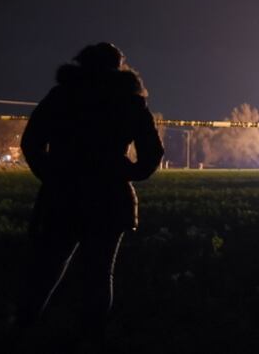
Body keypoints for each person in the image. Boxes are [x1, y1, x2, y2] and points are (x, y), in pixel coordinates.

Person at [18, 42, 163, 340]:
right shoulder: (129, 101)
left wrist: (51, 175)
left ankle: (23, 331)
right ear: (119, 66)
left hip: (63, 196)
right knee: (99, 275)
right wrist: (126, 172)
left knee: (47, 269)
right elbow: (152, 153)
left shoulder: (61, 96)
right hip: (110, 199)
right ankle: (91, 337)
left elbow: (31, 142)